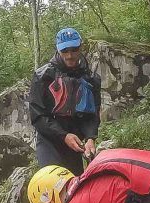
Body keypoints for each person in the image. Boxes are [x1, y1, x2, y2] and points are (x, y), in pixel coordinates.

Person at [28, 26, 102, 178]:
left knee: (74, 188)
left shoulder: (90, 79)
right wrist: (63, 135)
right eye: (65, 51)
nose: (70, 55)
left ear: (80, 47)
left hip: (75, 143)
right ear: (58, 50)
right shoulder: (43, 76)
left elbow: (92, 114)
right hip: (49, 139)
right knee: (52, 183)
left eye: (74, 50)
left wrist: (90, 138)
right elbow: (37, 116)